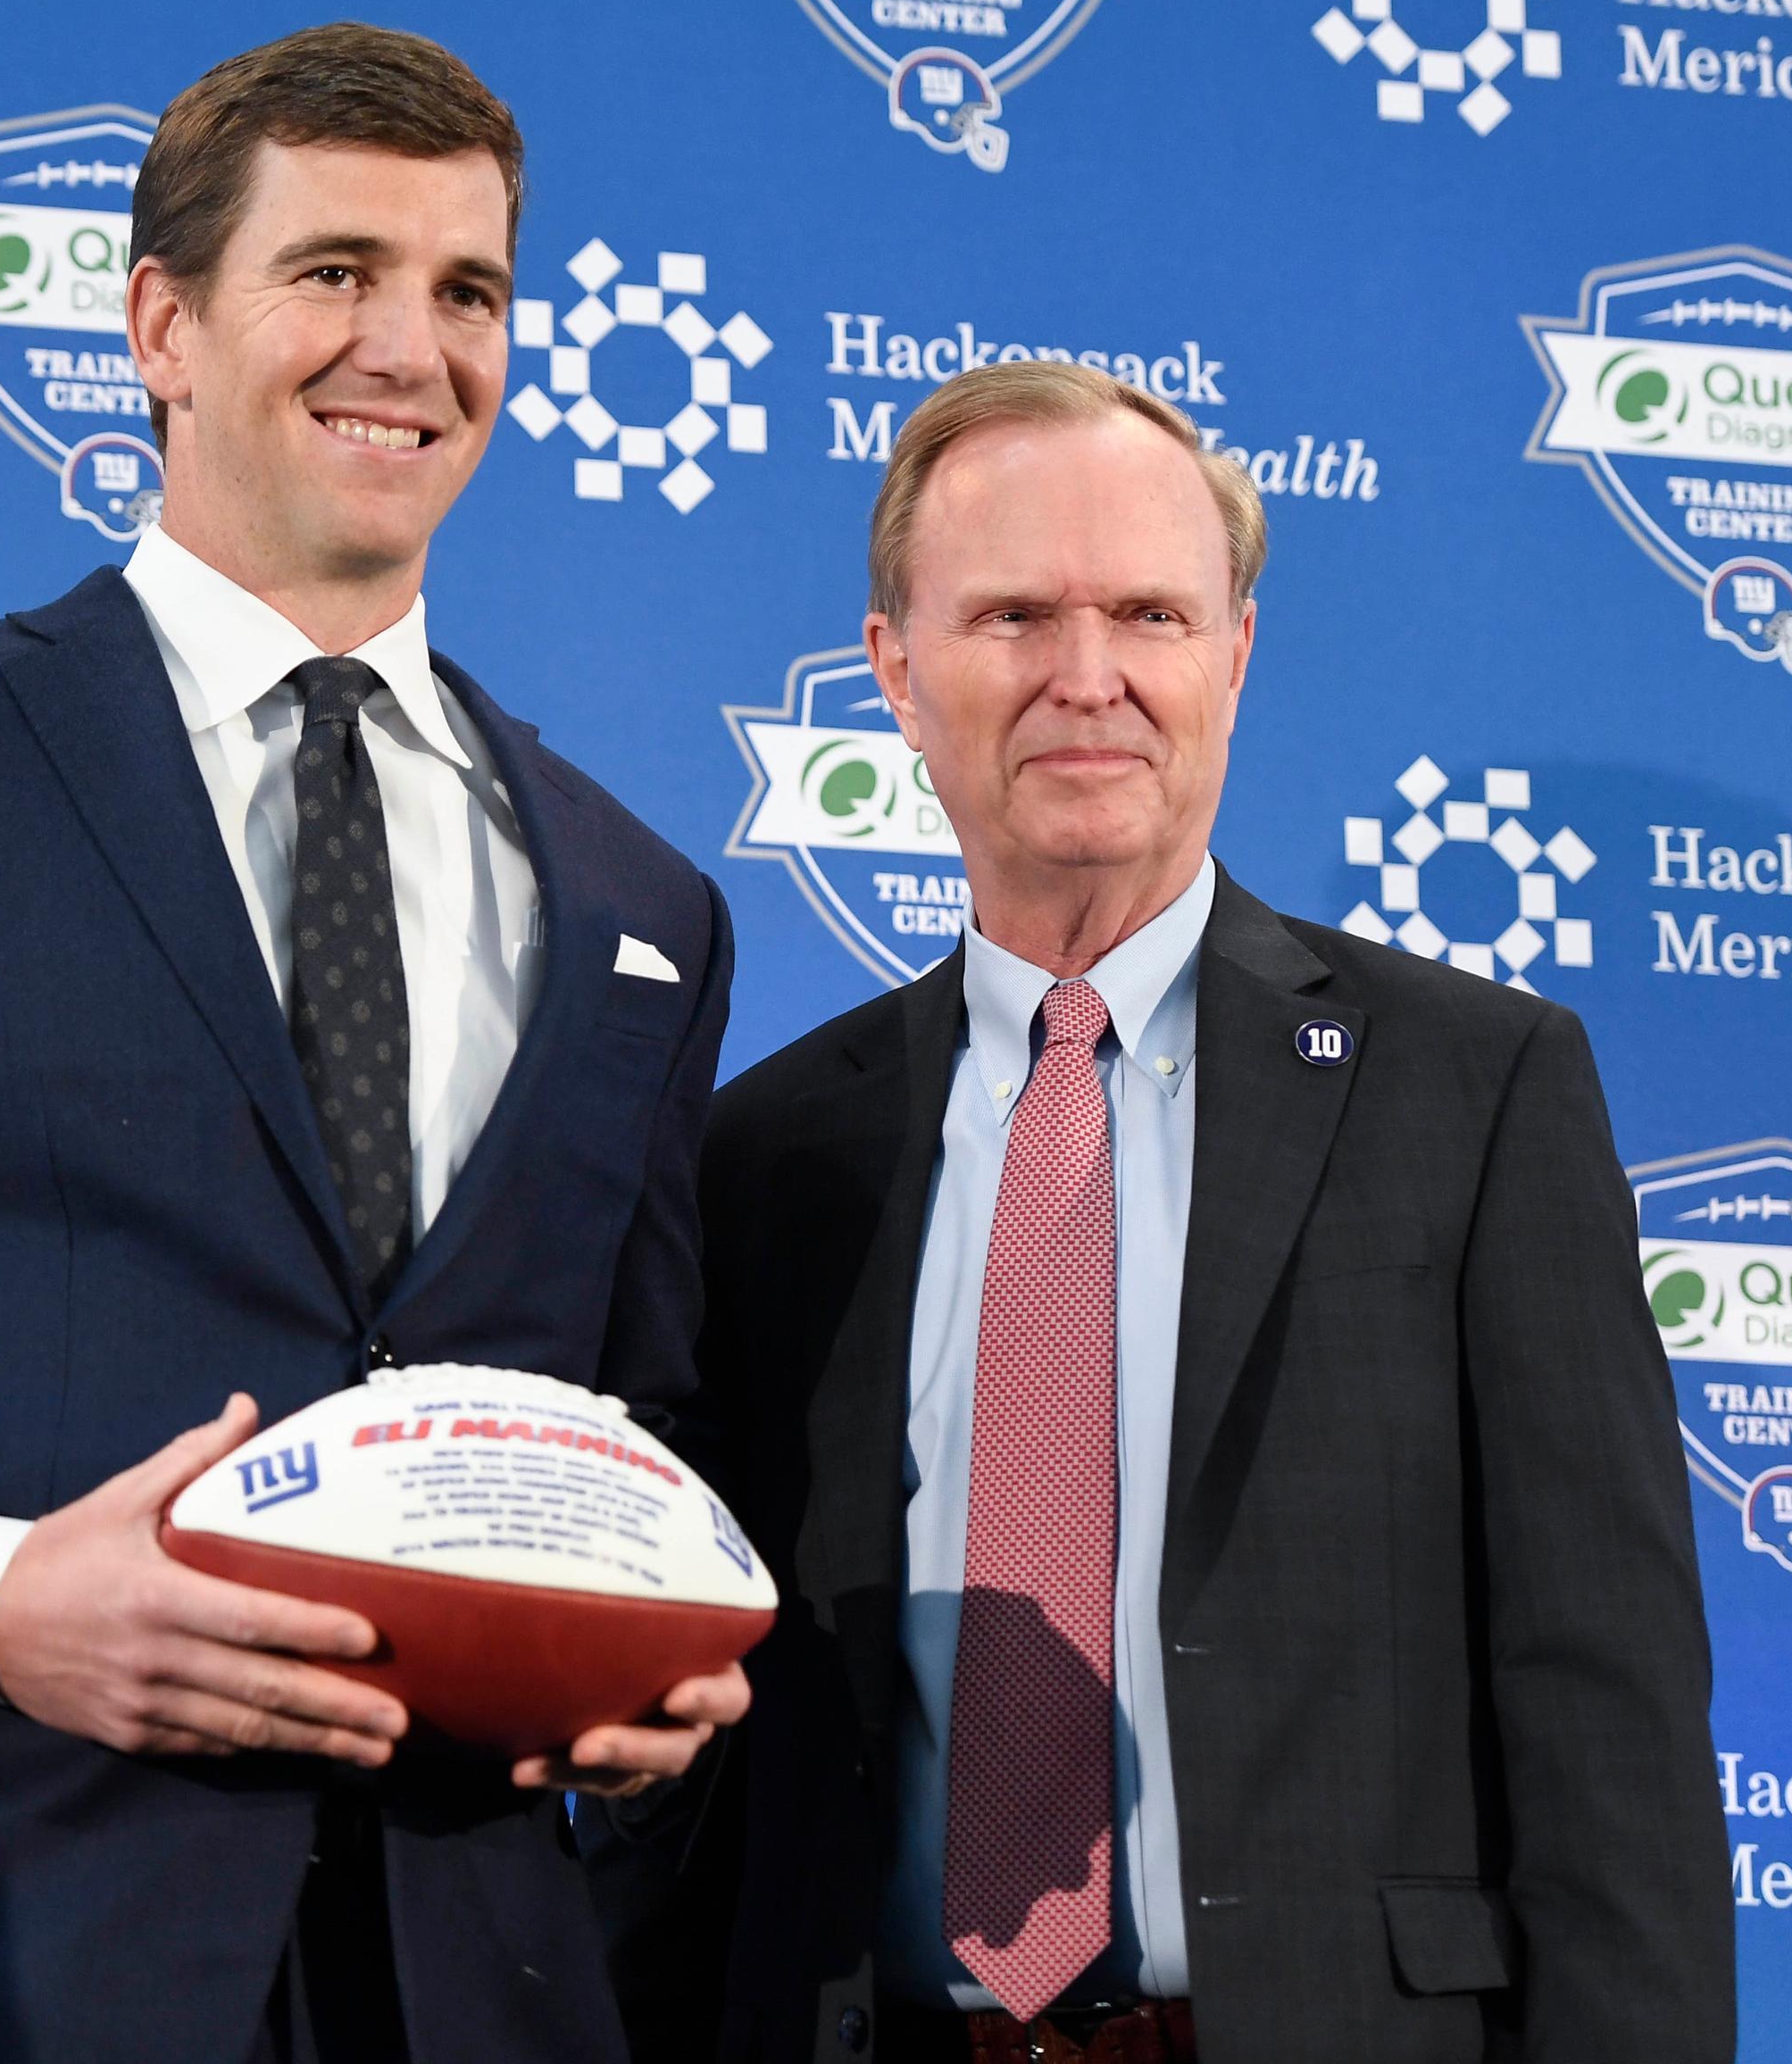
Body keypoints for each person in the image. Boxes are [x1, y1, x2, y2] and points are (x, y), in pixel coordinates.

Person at [0, 22, 744, 2064]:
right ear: (163, 326)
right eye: (335, 271)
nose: (412, 347)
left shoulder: (644, 901)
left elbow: (639, 1424)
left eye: (470, 291)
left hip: (477, 1981)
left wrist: (652, 1672)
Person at [654, 361, 1730, 2061]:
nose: (1090, 680)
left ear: (1234, 652)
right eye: (1012, 615)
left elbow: (1609, 1716)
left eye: (1151, 613)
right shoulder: (766, 1154)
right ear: (894, 670)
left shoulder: (1478, 1088)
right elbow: (703, 1749)